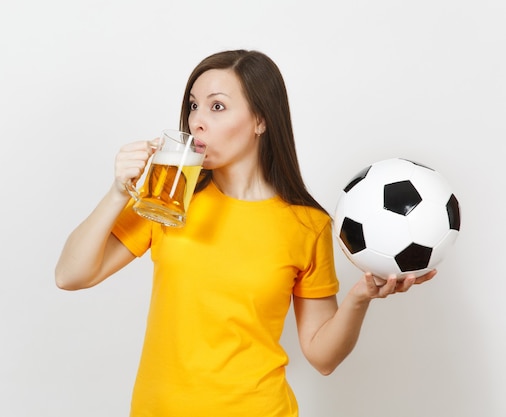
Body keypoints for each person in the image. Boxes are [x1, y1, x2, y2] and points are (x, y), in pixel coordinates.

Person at [55, 49, 436, 417]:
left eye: (217, 106)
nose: (197, 121)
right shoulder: (168, 198)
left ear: (260, 120)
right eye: (193, 105)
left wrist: (359, 298)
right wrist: (118, 191)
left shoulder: (307, 225)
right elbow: (70, 276)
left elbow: (322, 358)